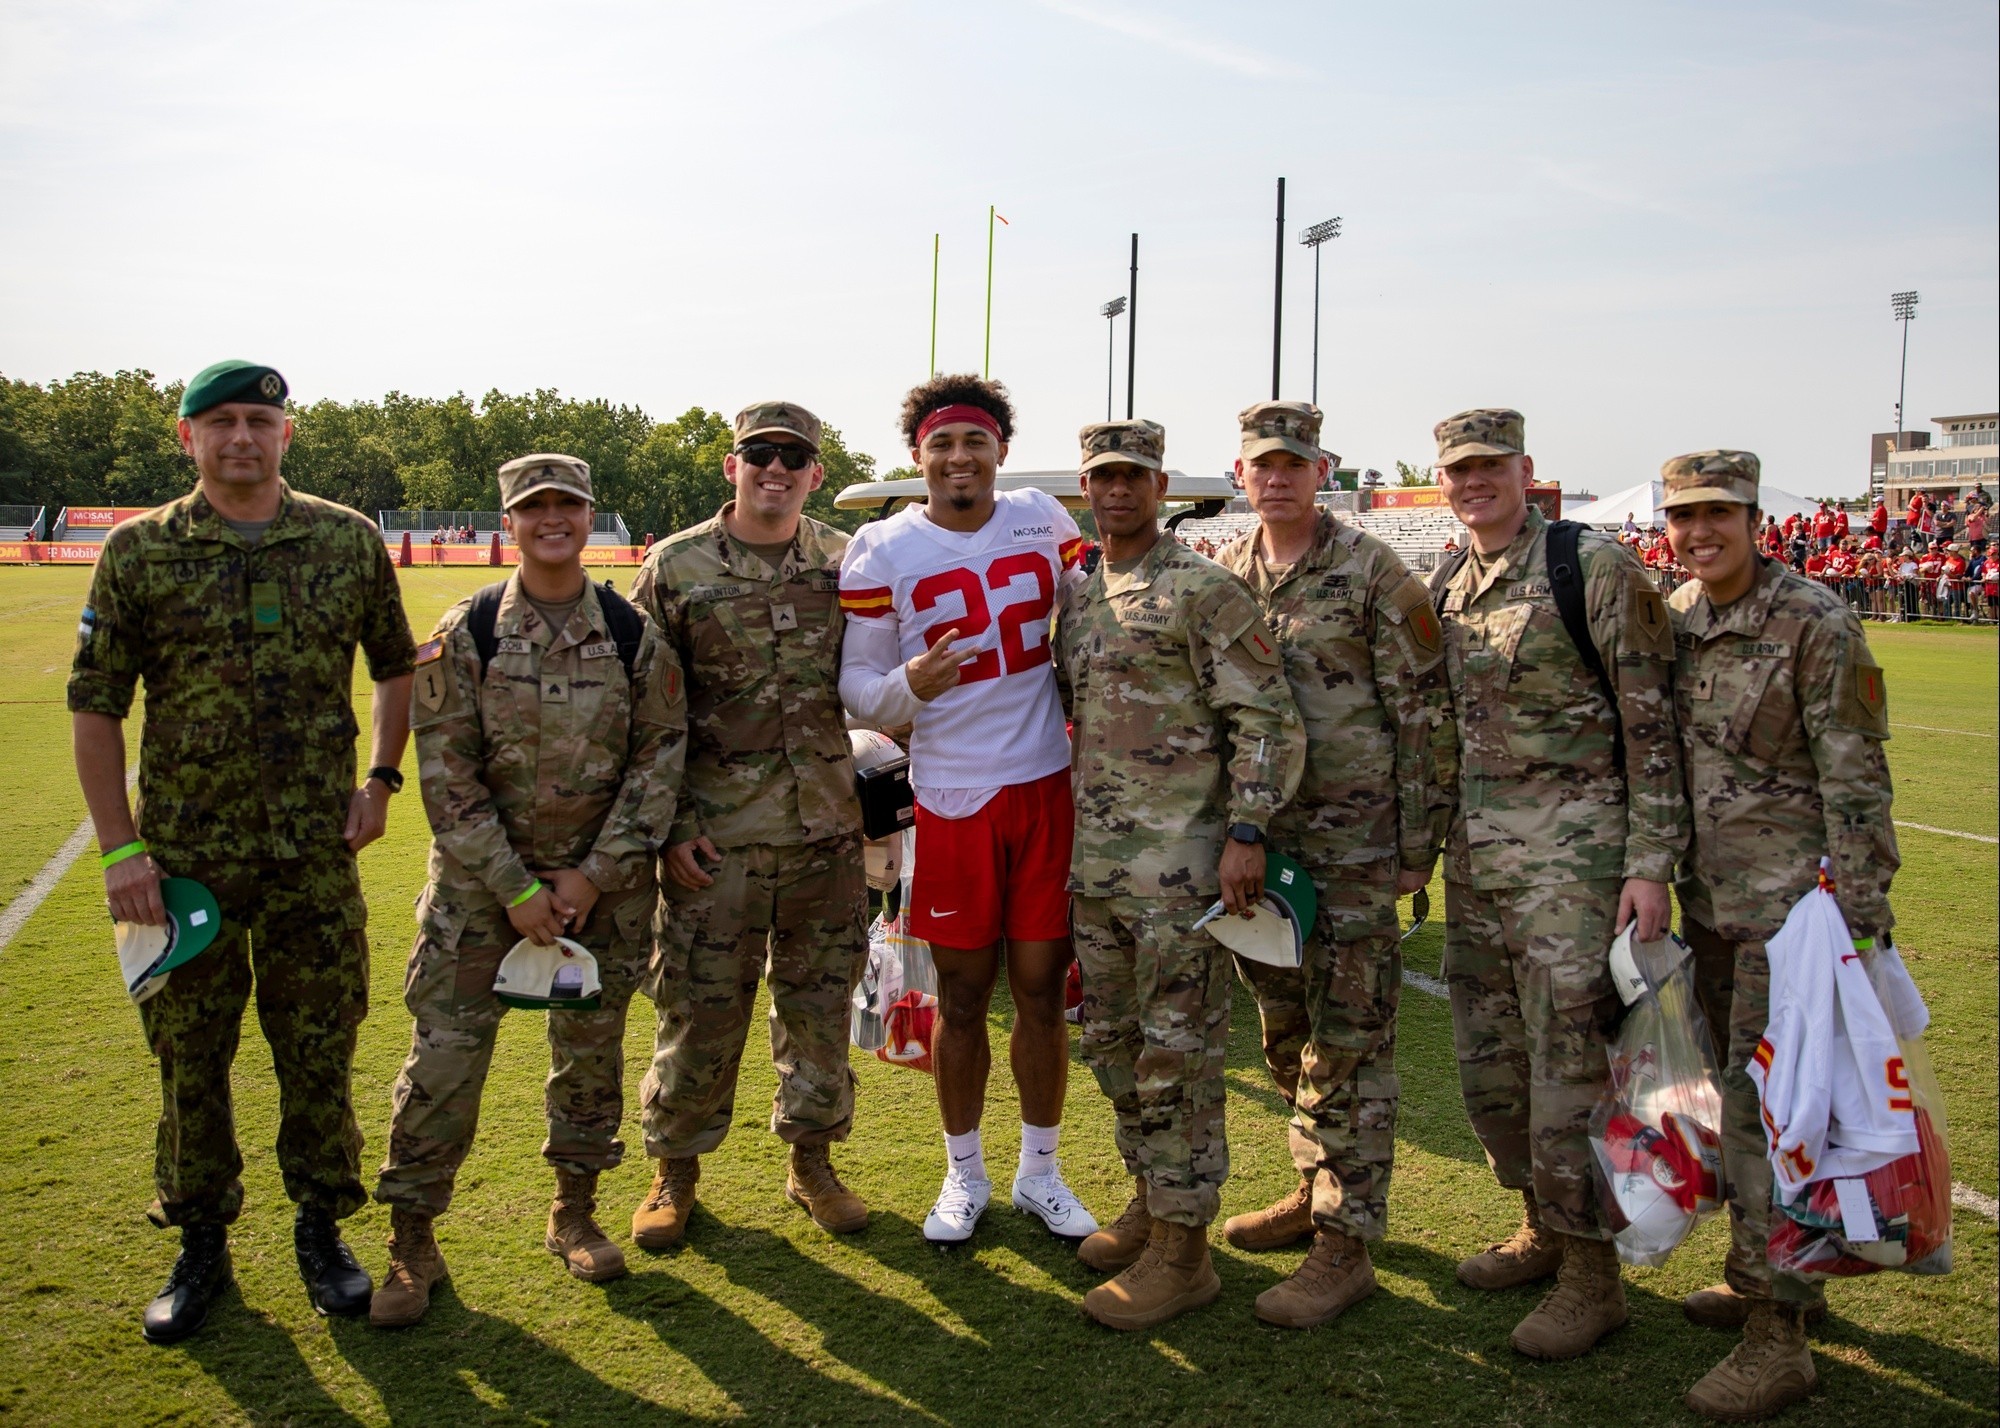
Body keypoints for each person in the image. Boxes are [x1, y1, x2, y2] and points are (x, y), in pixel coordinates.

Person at [69, 360, 417, 1343]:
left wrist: (382, 779)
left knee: (317, 1052)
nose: (240, 438)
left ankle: (321, 1231)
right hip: (184, 863)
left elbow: (397, 668)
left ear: (286, 435)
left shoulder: (344, 539)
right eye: (218, 421)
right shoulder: (139, 553)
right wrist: (117, 852)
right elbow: (95, 704)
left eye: (258, 420)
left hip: (313, 852)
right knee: (191, 1059)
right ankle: (200, 1244)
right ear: (187, 438)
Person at [369, 455, 687, 1326]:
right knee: (440, 1067)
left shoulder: (631, 635)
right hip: (480, 898)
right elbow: (446, 775)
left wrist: (592, 874)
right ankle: (411, 1241)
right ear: (508, 520)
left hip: (600, 896)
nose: (553, 519)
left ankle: (573, 1213)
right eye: (534, 506)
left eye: (568, 505)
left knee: (589, 1064)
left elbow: (659, 764)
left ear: (590, 517)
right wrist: (515, 888)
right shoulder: (465, 631)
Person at [1428, 409, 1688, 1361]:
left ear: (1527, 469)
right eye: (1458, 470)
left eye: (1490, 466)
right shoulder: (1454, 577)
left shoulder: (1591, 565)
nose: (1473, 482)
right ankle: (1540, 1225)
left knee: (1571, 1072)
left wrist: (1650, 862)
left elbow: (1652, 724)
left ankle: (1593, 1274)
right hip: (1479, 862)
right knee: (1491, 1066)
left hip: (1575, 868)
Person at [1660, 450, 1899, 1419]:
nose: (1698, 532)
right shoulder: (1673, 620)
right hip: (1708, 910)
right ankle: (1764, 1276)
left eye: (1717, 513)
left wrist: (1861, 923)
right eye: (1682, 516)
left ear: (1754, 516)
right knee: (1734, 1106)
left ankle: (1778, 1338)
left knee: (1778, 1121)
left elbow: (1856, 781)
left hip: (1795, 923)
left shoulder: (1814, 623)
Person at [1052, 418, 1304, 1330]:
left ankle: (1184, 1253)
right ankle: (1155, 1201)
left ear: (1163, 488)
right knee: (1115, 1049)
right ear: (1087, 488)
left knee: (1178, 1059)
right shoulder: (1080, 591)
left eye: (1135, 477)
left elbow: (1266, 719)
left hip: (1183, 875)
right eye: (1103, 477)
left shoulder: (1203, 589)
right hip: (1101, 873)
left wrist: (1246, 831)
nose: (1118, 491)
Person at [1210, 401, 1455, 1328]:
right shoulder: (1227, 573)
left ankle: (1345, 1246)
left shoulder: (1373, 572)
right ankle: (1314, 1186)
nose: (1277, 478)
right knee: (1283, 1029)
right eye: (1261, 465)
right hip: (1264, 846)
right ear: (1242, 476)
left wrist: (1412, 850)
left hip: (1355, 847)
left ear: (1322, 471)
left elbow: (1424, 716)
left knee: (1349, 1042)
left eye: (1293, 463)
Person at [838, 374, 1096, 1244]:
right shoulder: (882, 547)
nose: (959, 457)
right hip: (951, 796)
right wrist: (908, 685)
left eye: (975, 441)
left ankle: (1041, 1172)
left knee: (1041, 993)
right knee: (960, 994)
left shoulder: (1042, 519)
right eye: (942, 444)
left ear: (1000, 452)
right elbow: (855, 689)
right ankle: (964, 1175)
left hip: (1045, 781)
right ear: (918, 456)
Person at [628, 401, 870, 1249]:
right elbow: (646, 713)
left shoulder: (850, 563)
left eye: (793, 456)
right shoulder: (676, 566)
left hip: (826, 837)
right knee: (698, 1010)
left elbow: (881, 687)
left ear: (815, 473)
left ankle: (812, 1165)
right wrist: (671, 827)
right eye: (757, 453)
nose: (775, 468)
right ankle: (675, 1171)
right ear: (731, 465)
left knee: (819, 1008)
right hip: (714, 842)